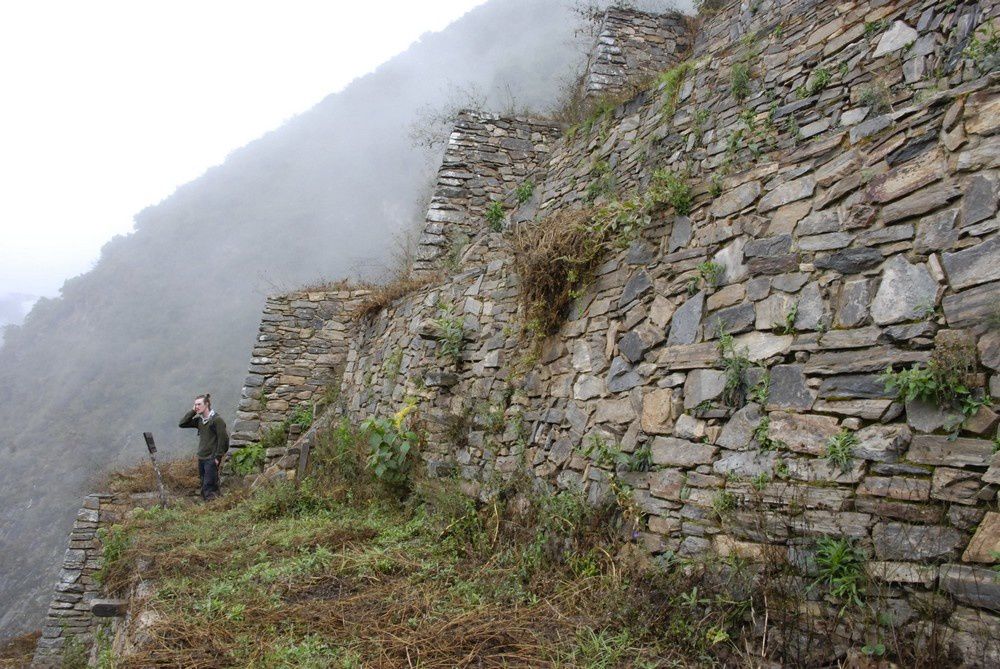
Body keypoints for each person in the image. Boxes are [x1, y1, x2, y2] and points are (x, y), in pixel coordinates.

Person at [179, 393, 229, 500]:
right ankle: (209, 509)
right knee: (204, 485)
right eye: (195, 405)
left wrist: (218, 457)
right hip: (201, 457)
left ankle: (213, 509)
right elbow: (182, 423)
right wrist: (193, 411)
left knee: (209, 487)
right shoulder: (200, 421)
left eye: (199, 404)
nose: (196, 407)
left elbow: (223, 439)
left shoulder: (216, 420)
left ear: (206, 404)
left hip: (211, 458)